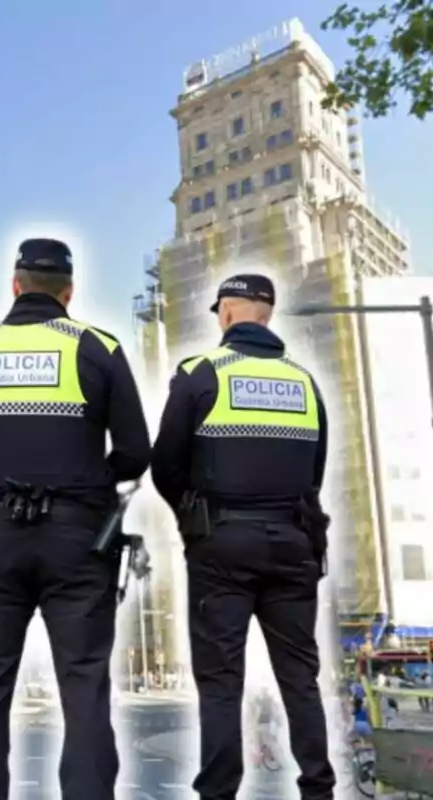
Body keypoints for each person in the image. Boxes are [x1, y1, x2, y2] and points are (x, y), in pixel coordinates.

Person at [0, 238, 151, 800]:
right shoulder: (98, 348)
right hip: (79, 542)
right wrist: (89, 477)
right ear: (68, 293)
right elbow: (136, 453)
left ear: (15, 285)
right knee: (85, 689)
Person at [150, 273, 336, 800]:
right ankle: (318, 790)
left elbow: (166, 463)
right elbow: (314, 471)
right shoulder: (304, 383)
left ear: (229, 312)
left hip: (222, 544)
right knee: (300, 677)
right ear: (268, 314)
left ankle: (219, 793)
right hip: (295, 543)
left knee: (221, 681)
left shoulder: (200, 373)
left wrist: (195, 519)